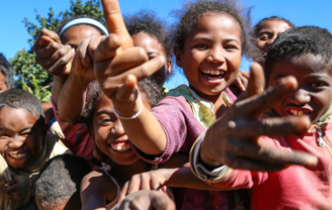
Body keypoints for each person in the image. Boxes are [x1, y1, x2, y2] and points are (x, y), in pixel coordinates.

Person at [93, 0, 252, 209]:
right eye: (202, 45)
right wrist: (128, 106)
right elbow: (155, 140)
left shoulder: (244, 96)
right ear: (178, 56)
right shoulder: (179, 105)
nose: (216, 57)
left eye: (229, 46)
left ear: (241, 56)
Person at [190, 26, 332, 210]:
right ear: (268, 85)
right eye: (283, 85)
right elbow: (236, 172)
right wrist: (212, 152)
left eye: (316, 85)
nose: (299, 98)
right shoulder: (265, 133)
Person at [80, 79, 186, 210]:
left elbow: (214, 179)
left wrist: (164, 176)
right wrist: (122, 204)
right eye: (105, 120)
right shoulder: (96, 182)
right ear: (92, 130)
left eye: (132, 118)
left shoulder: (172, 166)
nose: (119, 130)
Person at [33, 15, 108, 165]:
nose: (83, 55)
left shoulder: (120, 91)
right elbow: (66, 109)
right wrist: (61, 75)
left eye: (92, 47)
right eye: (73, 49)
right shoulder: (65, 95)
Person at [0, 89, 70, 210]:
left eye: (26, 134)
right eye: (4, 135)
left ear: (43, 132)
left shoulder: (57, 152)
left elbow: (69, 182)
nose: (16, 144)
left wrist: (30, 186)